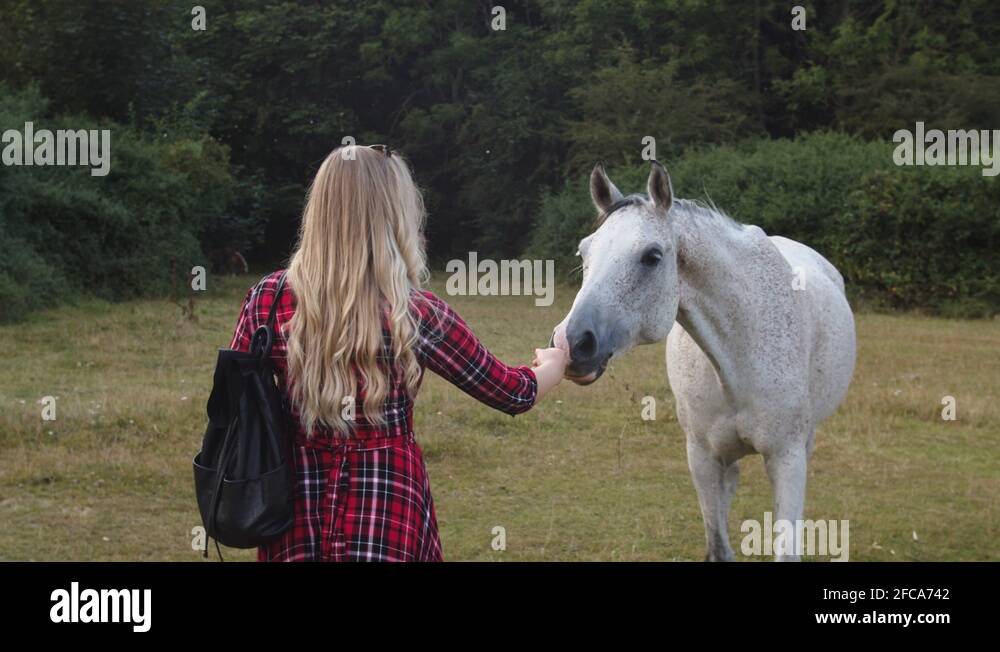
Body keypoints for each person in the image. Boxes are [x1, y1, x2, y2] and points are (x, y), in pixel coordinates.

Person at [229, 145, 569, 561]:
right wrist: (555, 364)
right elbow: (512, 392)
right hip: (389, 512)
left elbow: (235, 405)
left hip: (290, 511)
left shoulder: (268, 298)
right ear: (393, 215)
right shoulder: (416, 313)